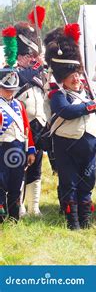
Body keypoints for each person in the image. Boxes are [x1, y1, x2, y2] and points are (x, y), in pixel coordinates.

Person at [45, 25, 96, 230]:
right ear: (62, 79)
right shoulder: (58, 95)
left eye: (77, 74)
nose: (76, 79)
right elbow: (67, 112)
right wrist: (91, 106)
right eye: (71, 76)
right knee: (69, 183)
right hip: (66, 144)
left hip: (90, 143)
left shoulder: (88, 92)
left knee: (88, 182)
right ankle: (72, 222)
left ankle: (85, 220)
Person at [0, 38, 36, 222]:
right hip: (1, 148)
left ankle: (14, 217)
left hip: (17, 148)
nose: (10, 92)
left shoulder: (19, 105)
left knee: (16, 184)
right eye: (6, 89)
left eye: (12, 89)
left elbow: (26, 128)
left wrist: (30, 149)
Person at [14, 21, 47, 217]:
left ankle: (34, 206)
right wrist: (38, 65)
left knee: (36, 167)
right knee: (19, 166)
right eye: (27, 56)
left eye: (32, 55)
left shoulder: (38, 73)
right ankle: (19, 206)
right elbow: (23, 78)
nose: (30, 58)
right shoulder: (11, 72)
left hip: (39, 125)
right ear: (19, 57)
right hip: (20, 126)